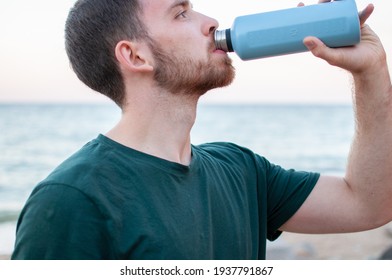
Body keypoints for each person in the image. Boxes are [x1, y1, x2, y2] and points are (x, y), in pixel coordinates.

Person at [12, 0, 392, 260]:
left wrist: (371, 72)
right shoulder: (71, 199)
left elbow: (369, 204)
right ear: (134, 55)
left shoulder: (241, 170)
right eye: (181, 13)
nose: (210, 22)